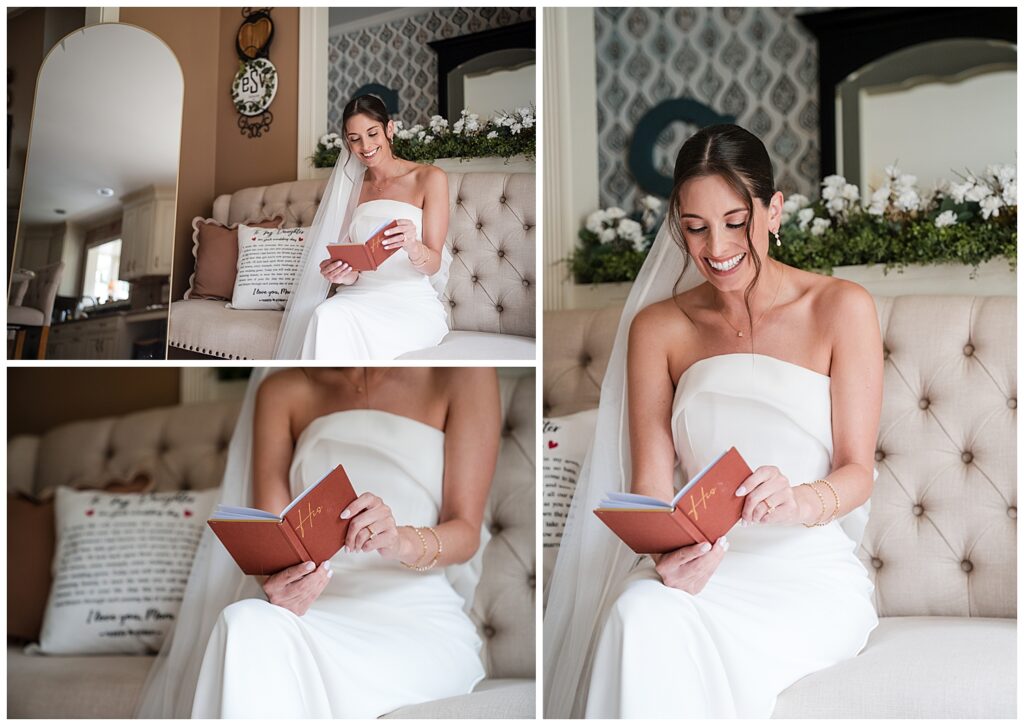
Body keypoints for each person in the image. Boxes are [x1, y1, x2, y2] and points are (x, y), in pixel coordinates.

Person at [543, 124, 882, 718]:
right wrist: (664, 558)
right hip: (702, 568)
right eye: (695, 227)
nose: (716, 246)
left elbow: (858, 471)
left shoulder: (841, 308)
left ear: (773, 211)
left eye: (735, 222)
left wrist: (801, 500)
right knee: (635, 612)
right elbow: (651, 482)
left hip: (807, 573)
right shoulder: (657, 329)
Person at [138, 367, 500, 718]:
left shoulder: (463, 374)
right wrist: (280, 586)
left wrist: (399, 540)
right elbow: (272, 537)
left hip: (417, 616)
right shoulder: (282, 390)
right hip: (313, 612)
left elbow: (467, 531)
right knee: (244, 620)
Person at [273, 95, 452, 360]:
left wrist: (413, 246)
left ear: (389, 130)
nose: (365, 146)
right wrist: (343, 275)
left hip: (411, 301)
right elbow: (355, 269)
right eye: (355, 138)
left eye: (372, 133)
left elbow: (434, 263)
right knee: (325, 314)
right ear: (347, 142)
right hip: (359, 296)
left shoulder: (429, 178)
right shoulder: (351, 188)